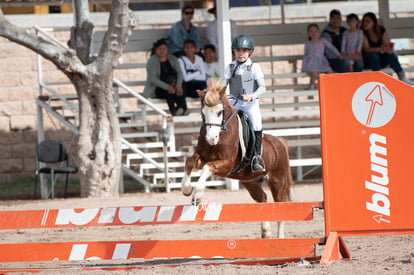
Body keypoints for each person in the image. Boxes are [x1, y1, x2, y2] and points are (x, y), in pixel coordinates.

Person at [223, 34, 266, 173]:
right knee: (221, 120)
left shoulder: (254, 67)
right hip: (234, 102)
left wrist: (251, 96)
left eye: (244, 50)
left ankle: (256, 158)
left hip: (250, 104)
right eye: (238, 50)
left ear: (249, 52)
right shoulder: (230, 67)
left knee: (256, 125)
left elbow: (262, 88)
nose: (241, 54)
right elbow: (223, 86)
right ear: (234, 51)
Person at [361, 12, 413, 85]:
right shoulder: (362, 32)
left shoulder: (381, 30)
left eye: (368, 21)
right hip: (367, 61)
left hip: (380, 60)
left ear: (374, 22)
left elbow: (387, 45)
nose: (365, 23)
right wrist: (381, 49)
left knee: (391, 55)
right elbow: (367, 49)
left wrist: (389, 49)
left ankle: (402, 77)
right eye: (364, 21)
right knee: (373, 55)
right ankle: (377, 79)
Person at [143, 38, 187, 116]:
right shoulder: (152, 61)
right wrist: (167, 87)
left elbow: (179, 72)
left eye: (164, 48)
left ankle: (182, 108)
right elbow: (153, 79)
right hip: (158, 88)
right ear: (155, 50)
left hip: (173, 84)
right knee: (170, 92)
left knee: (181, 88)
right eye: (160, 49)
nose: (162, 51)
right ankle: (173, 110)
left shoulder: (172, 58)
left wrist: (178, 85)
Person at [302, 23, 342, 90]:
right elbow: (306, 55)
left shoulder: (322, 41)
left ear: (319, 32)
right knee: (314, 73)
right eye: (311, 32)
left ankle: (329, 87)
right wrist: (304, 66)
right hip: (311, 63)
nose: (314, 33)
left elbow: (331, 48)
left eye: (315, 31)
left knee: (329, 71)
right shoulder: (308, 44)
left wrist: (339, 54)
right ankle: (311, 87)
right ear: (308, 34)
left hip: (321, 62)